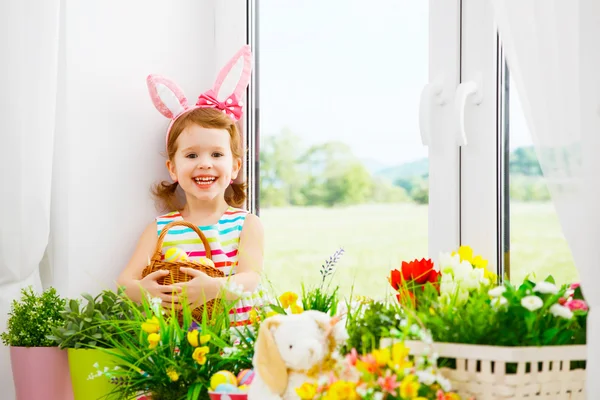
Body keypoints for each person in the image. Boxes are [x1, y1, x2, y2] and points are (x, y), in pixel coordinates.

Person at [117, 45, 264, 326]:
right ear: (173, 168)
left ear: (235, 167)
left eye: (217, 154)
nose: (205, 164)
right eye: (192, 155)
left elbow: (251, 278)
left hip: (235, 348)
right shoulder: (160, 229)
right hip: (178, 353)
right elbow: (124, 283)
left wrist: (215, 287)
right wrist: (145, 291)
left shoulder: (245, 225)